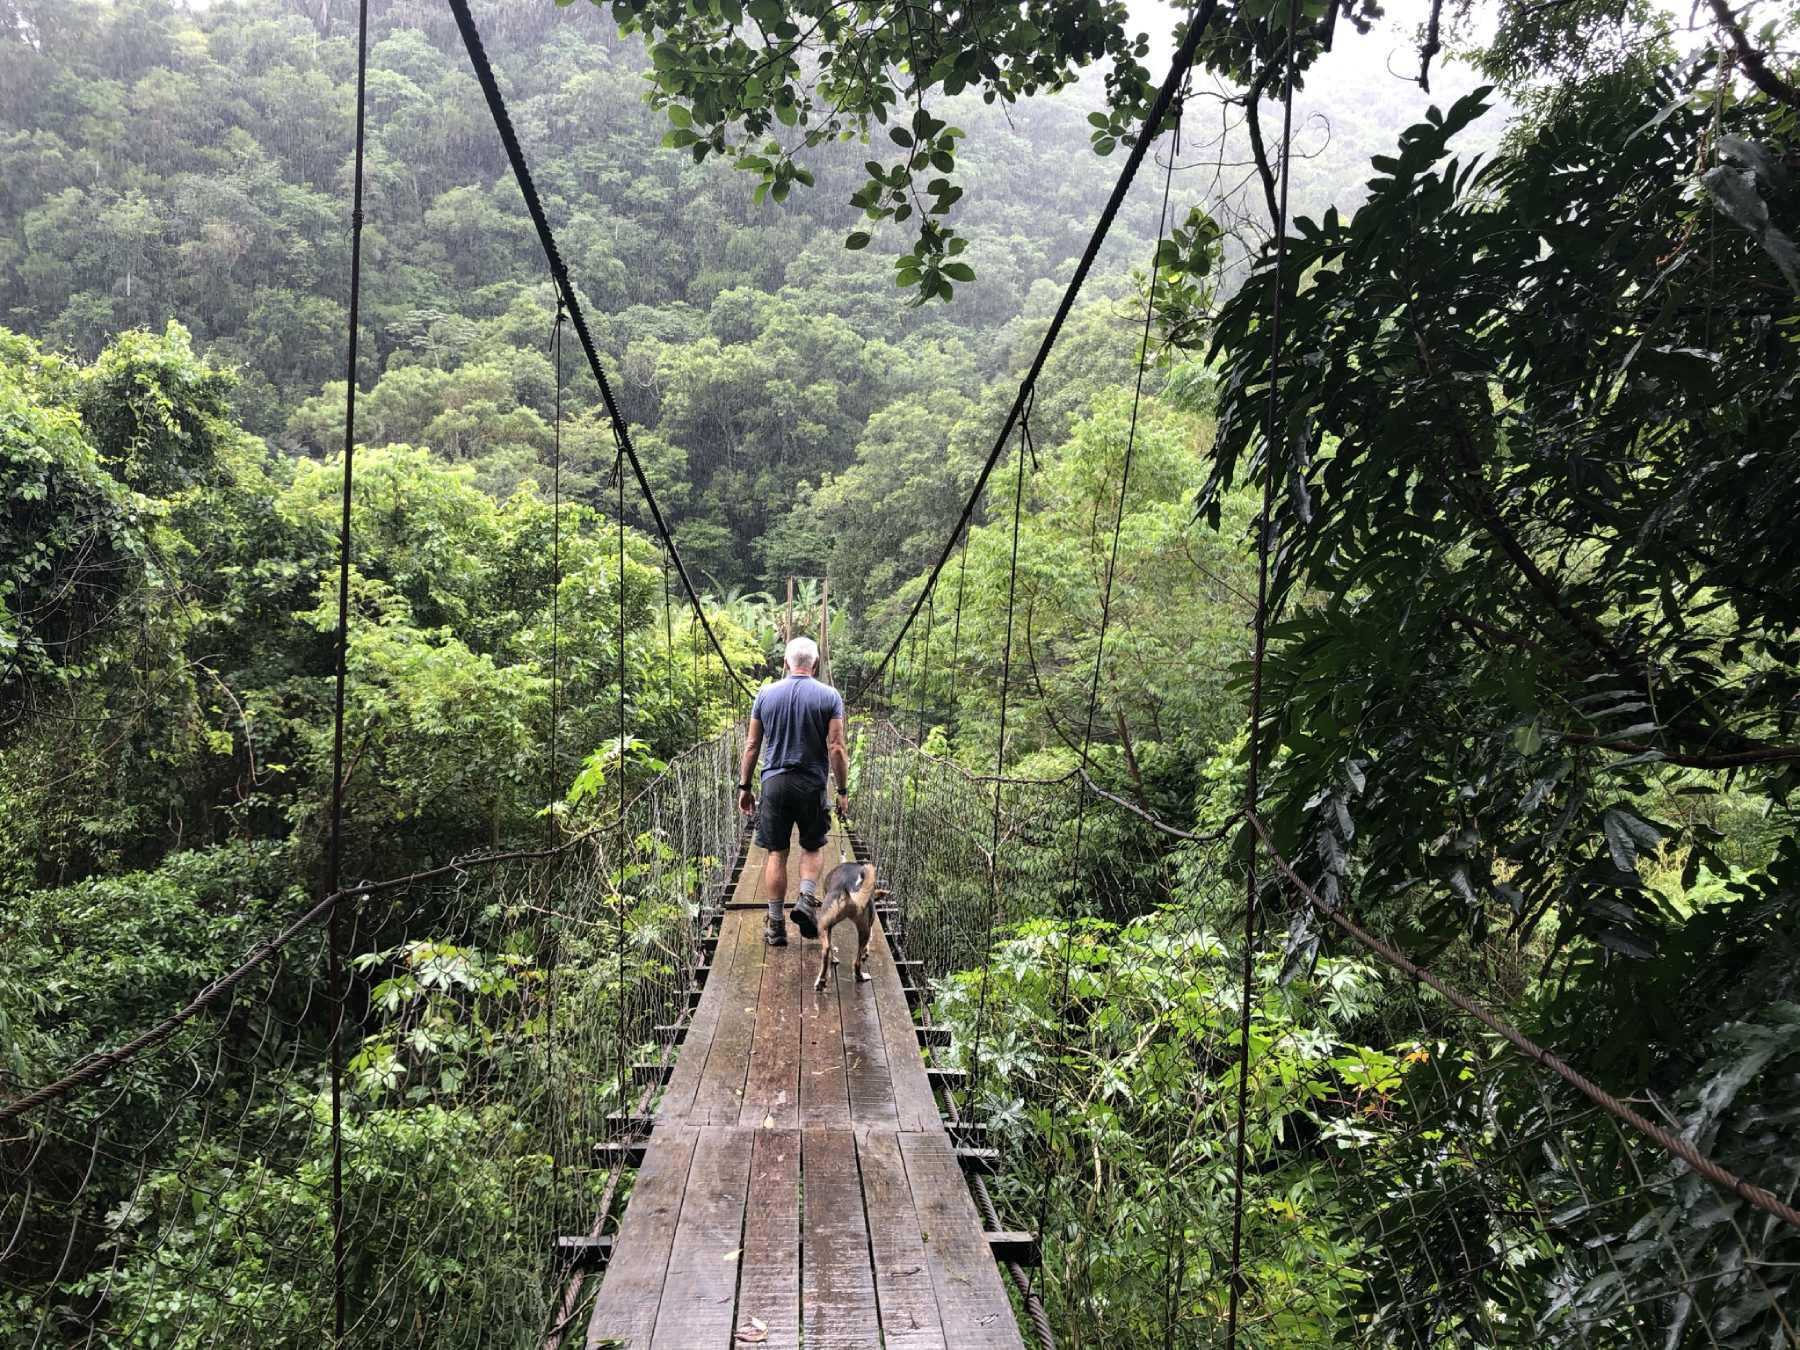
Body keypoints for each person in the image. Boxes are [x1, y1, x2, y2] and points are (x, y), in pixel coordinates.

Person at [736, 636, 850, 946]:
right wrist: (842, 789)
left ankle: (775, 925)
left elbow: (752, 745)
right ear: (815, 664)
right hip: (812, 783)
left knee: (777, 852)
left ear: (786, 663)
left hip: (774, 783)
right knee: (812, 847)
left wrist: (745, 786)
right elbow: (837, 748)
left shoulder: (765, 694)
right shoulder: (830, 696)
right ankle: (806, 898)